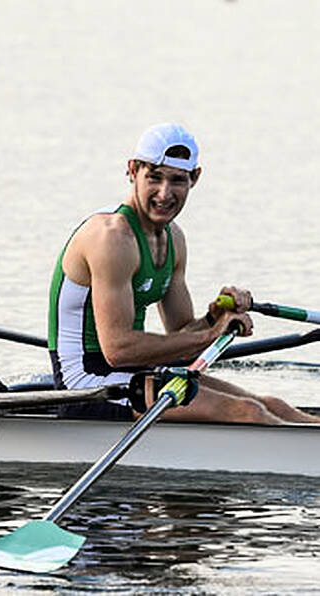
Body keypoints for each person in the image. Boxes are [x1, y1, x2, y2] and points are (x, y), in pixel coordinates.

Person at [48, 122, 319, 424]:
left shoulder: (174, 238)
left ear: (195, 179)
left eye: (177, 180)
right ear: (132, 170)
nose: (165, 194)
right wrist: (212, 334)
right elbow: (118, 350)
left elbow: (181, 340)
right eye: (154, 177)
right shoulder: (111, 238)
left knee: (272, 405)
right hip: (87, 383)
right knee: (248, 412)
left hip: (133, 373)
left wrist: (214, 318)